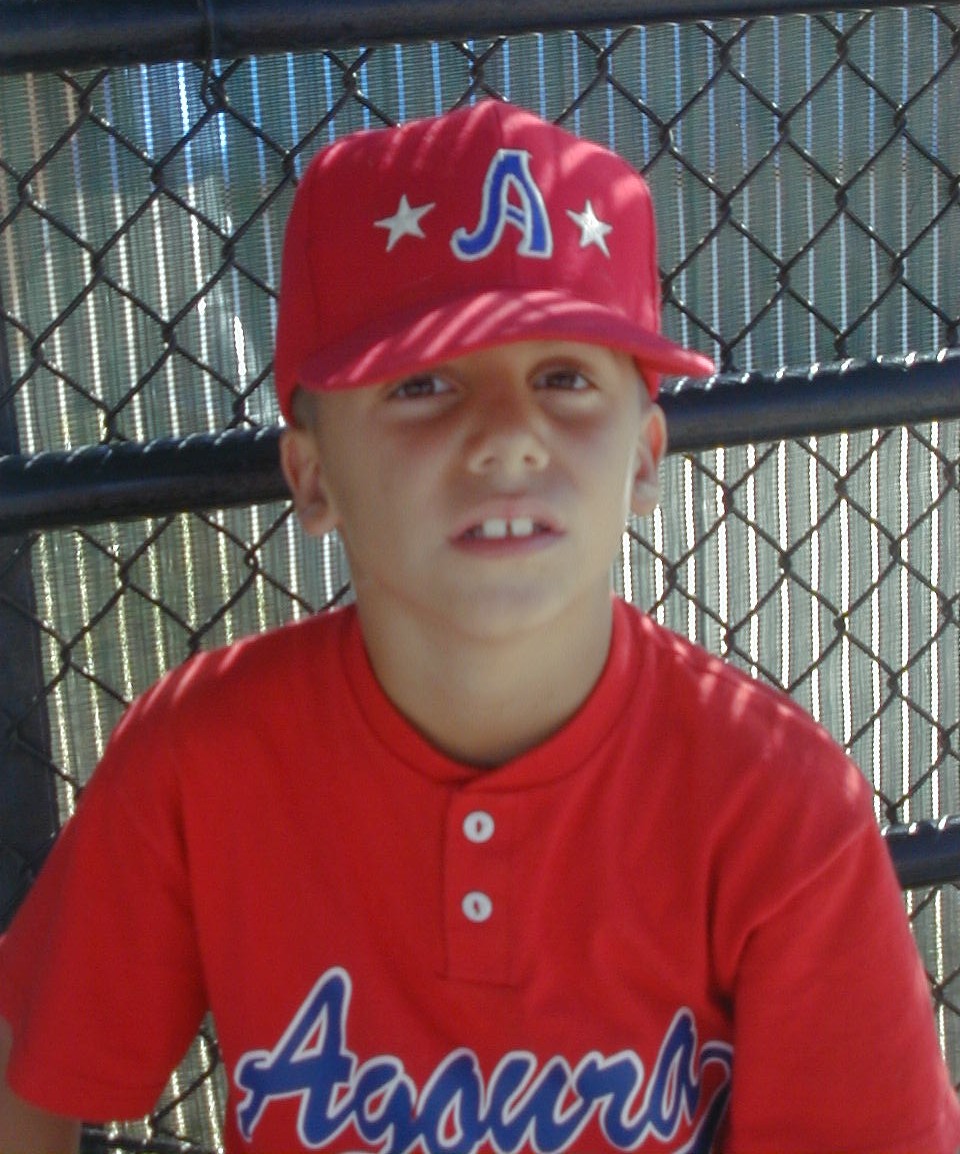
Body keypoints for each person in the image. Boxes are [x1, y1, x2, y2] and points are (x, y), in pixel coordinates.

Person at [0, 100, 957, 1154]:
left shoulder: (779, 798)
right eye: (424, 384)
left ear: (644, 457)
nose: (508, 434)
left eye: (565, 377)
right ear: (312, 477)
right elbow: (26, 1070)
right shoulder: (200, 751)